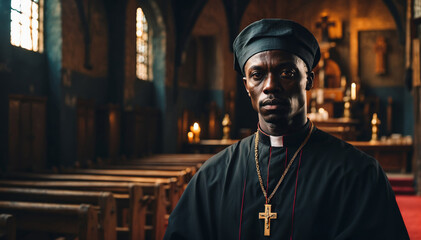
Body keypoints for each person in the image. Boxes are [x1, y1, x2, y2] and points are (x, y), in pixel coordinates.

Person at [164, 19, 409, 240]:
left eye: (286, 73)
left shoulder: (358, 174)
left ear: (309, 80)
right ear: (246, 86)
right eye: (257, 74)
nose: (270, 86)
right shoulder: (213, 177)